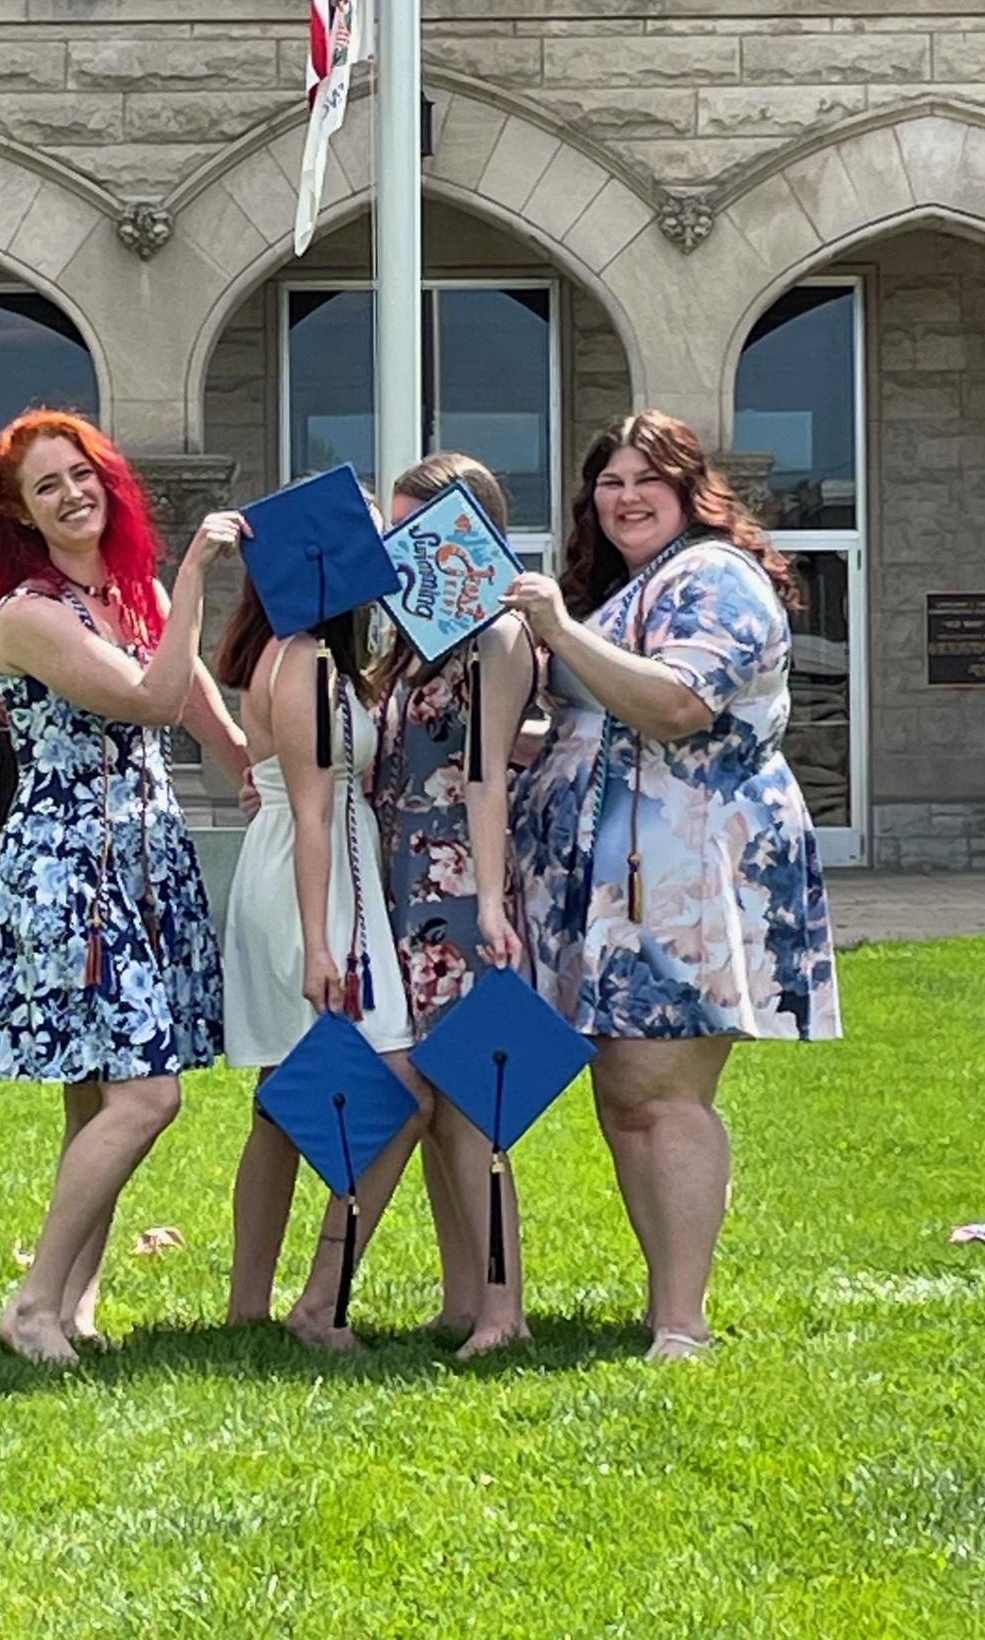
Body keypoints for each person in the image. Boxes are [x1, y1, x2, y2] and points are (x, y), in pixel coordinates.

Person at [506, 410, 840, 1362]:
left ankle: (684, 1323)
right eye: (609, 482)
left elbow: (678, 703)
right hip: (618, 885)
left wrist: (557, 631)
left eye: (647, 479)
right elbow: (598, 720)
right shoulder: (631, 588)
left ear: (692, 490)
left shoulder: (714, 576)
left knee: (661, 1088)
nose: (625, 498)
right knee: (626, 1093)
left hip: (686, 874)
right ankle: (666, 1303)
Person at [0, 408, 249, 1365]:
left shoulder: (131, 595)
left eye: (80, 474)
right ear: (23, 514)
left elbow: (194, 692)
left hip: (143, 857)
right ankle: (32, 1305)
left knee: (98, 1099)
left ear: (107, 479)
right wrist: (197, 573)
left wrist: (247, 767)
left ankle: (73, 1304)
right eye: (46, 487)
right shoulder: (29, 615)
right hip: (70, 869)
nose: (70, 494)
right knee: (146, 1094)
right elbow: (151, 699)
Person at [218, 568, 431, 1350]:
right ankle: (319, 1301)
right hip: (316, 885)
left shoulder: (294, 655)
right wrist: (320, 944)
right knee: (404, 1092)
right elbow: (313, 812)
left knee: (279, 1103)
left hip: (301, 868)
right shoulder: (306, 661)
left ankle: (247, 1307)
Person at [373, 452, 537, 1356]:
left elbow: (485, 775)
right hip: (405, 886)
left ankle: (505, 1311)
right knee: (434, 1101)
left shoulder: (497, 636)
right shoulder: (414, 636)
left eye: (419, 529)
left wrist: (491, 903)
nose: (403, 548)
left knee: (477, 1105)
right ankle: (461, 1295)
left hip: (463, 888)